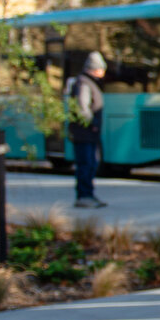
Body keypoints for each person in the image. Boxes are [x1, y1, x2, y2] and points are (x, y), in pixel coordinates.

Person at [63, 50, 107, 208]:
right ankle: (84, 196)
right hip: (84, 133)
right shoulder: (84, 83)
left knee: (91, 164)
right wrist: (92, 124)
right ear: (95, 68)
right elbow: (83, 107)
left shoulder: (88, 82)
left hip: (88, 133)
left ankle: (88, 194)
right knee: (86, 164)